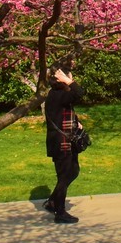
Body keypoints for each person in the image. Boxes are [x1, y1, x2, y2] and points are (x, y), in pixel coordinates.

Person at [44, 66, 85, 224]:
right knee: (64, 176)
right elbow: (79, 93)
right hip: (61, 144)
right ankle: (59, 212)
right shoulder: (58, 94)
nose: (72, 80)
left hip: (66, 141)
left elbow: (63, 113)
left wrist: (77, 122)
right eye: (69, 77)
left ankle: (53, 201)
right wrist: (69, 81)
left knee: (73, 171)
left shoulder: (59, 95)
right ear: (62, 80)